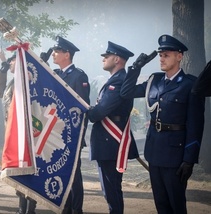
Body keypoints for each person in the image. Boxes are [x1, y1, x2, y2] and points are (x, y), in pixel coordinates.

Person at [120, 34, 205, 214]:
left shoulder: (190, 84)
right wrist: (135, 68)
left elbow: (196, 125)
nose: (161, 58)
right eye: (160, 55)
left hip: (176, 154)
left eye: (166, 55)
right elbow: (126, 93)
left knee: (176, 205)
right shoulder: (154, 80)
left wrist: (189, 159)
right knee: (161, 204)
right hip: (154, 151)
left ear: (179, 56)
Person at [87, 41, 139, 214]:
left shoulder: (119, 81)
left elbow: (99, 112)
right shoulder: (117, 79)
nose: (104, 59)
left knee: (111, 189)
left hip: (111, 141)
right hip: (108, 141)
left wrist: (90, 111)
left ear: (117, 59)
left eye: (106, 56)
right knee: (109, 189)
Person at [0, 48, 38, 214]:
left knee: (29, 169)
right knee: (16, 169)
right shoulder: (13, 82)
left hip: (27, 132)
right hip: (12, 131)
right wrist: (3, 67)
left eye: (12, 61)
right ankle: (21, 205)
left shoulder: (28, 81)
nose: (10, 63)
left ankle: (31, 206)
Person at [51, 36, 90, 214]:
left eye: (56, 51)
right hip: (55, 134)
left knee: (74, 175)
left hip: (71, 135)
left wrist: (78, 137)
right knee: (60, 173)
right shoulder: (55, 74)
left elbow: (82, 110)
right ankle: (64, 207)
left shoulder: (78, 76)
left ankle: (76, 210)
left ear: (67, 54)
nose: (53, 54)